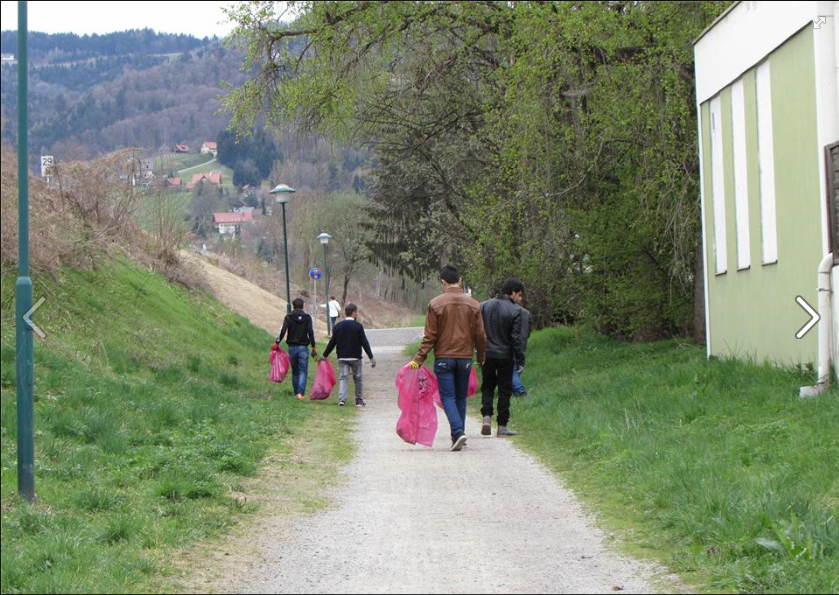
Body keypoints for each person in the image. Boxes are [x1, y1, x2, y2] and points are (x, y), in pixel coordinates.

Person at [411, 265, 487, 452]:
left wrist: (418, 359)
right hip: (465, 358)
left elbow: (430, 336)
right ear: (459, 280)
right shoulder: (474, 304)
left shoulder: (435, 304)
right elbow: (481, 335)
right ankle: (458, 435)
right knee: (461, 397)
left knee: (447, 397)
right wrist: (481, 356)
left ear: (443, 281)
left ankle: (458, 431)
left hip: (444, 358)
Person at [480, 278, 525, 437]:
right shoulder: (515, 311)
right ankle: (502, 425)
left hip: (487, 353)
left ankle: (486, 417)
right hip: (506, 355)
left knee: (487, 385)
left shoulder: (485, 305)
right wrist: (520, 359)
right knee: (505, 389)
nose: (519, 299)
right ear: (512, 292)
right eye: (519, 295)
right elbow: (516, 338)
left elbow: (479, 331)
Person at [321, 303, 376, 407]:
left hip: (342, 357)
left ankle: (342, 400)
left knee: (343, 378)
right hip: (355, 357)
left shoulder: (338, 326)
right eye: (356, 312)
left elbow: (332, 342)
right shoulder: (358, 326)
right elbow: (364, 342)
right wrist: (371, 357)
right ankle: (359, 400)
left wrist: (325, 355)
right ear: (354, 313)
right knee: (358, 378)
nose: (357, 314)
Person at [276, 297, 317, 400]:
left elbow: (283, 330)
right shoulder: (307, 317)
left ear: (293, 306)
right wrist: (313, 346)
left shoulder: (288, 317)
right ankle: (300, 393)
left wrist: (277, 342)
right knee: (303, 371)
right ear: (302, 306)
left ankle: (296, 393)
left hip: (292, 347)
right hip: (303, 347)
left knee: (295, 371)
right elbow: (310, 332)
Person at [511, 294, 531, 397]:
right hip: (522, 343)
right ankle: (515, 391)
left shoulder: (511, 311)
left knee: (512, 370)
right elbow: (528, 332)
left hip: (512, 343)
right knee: (518, 367)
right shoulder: (526, 313)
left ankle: (520, 390)